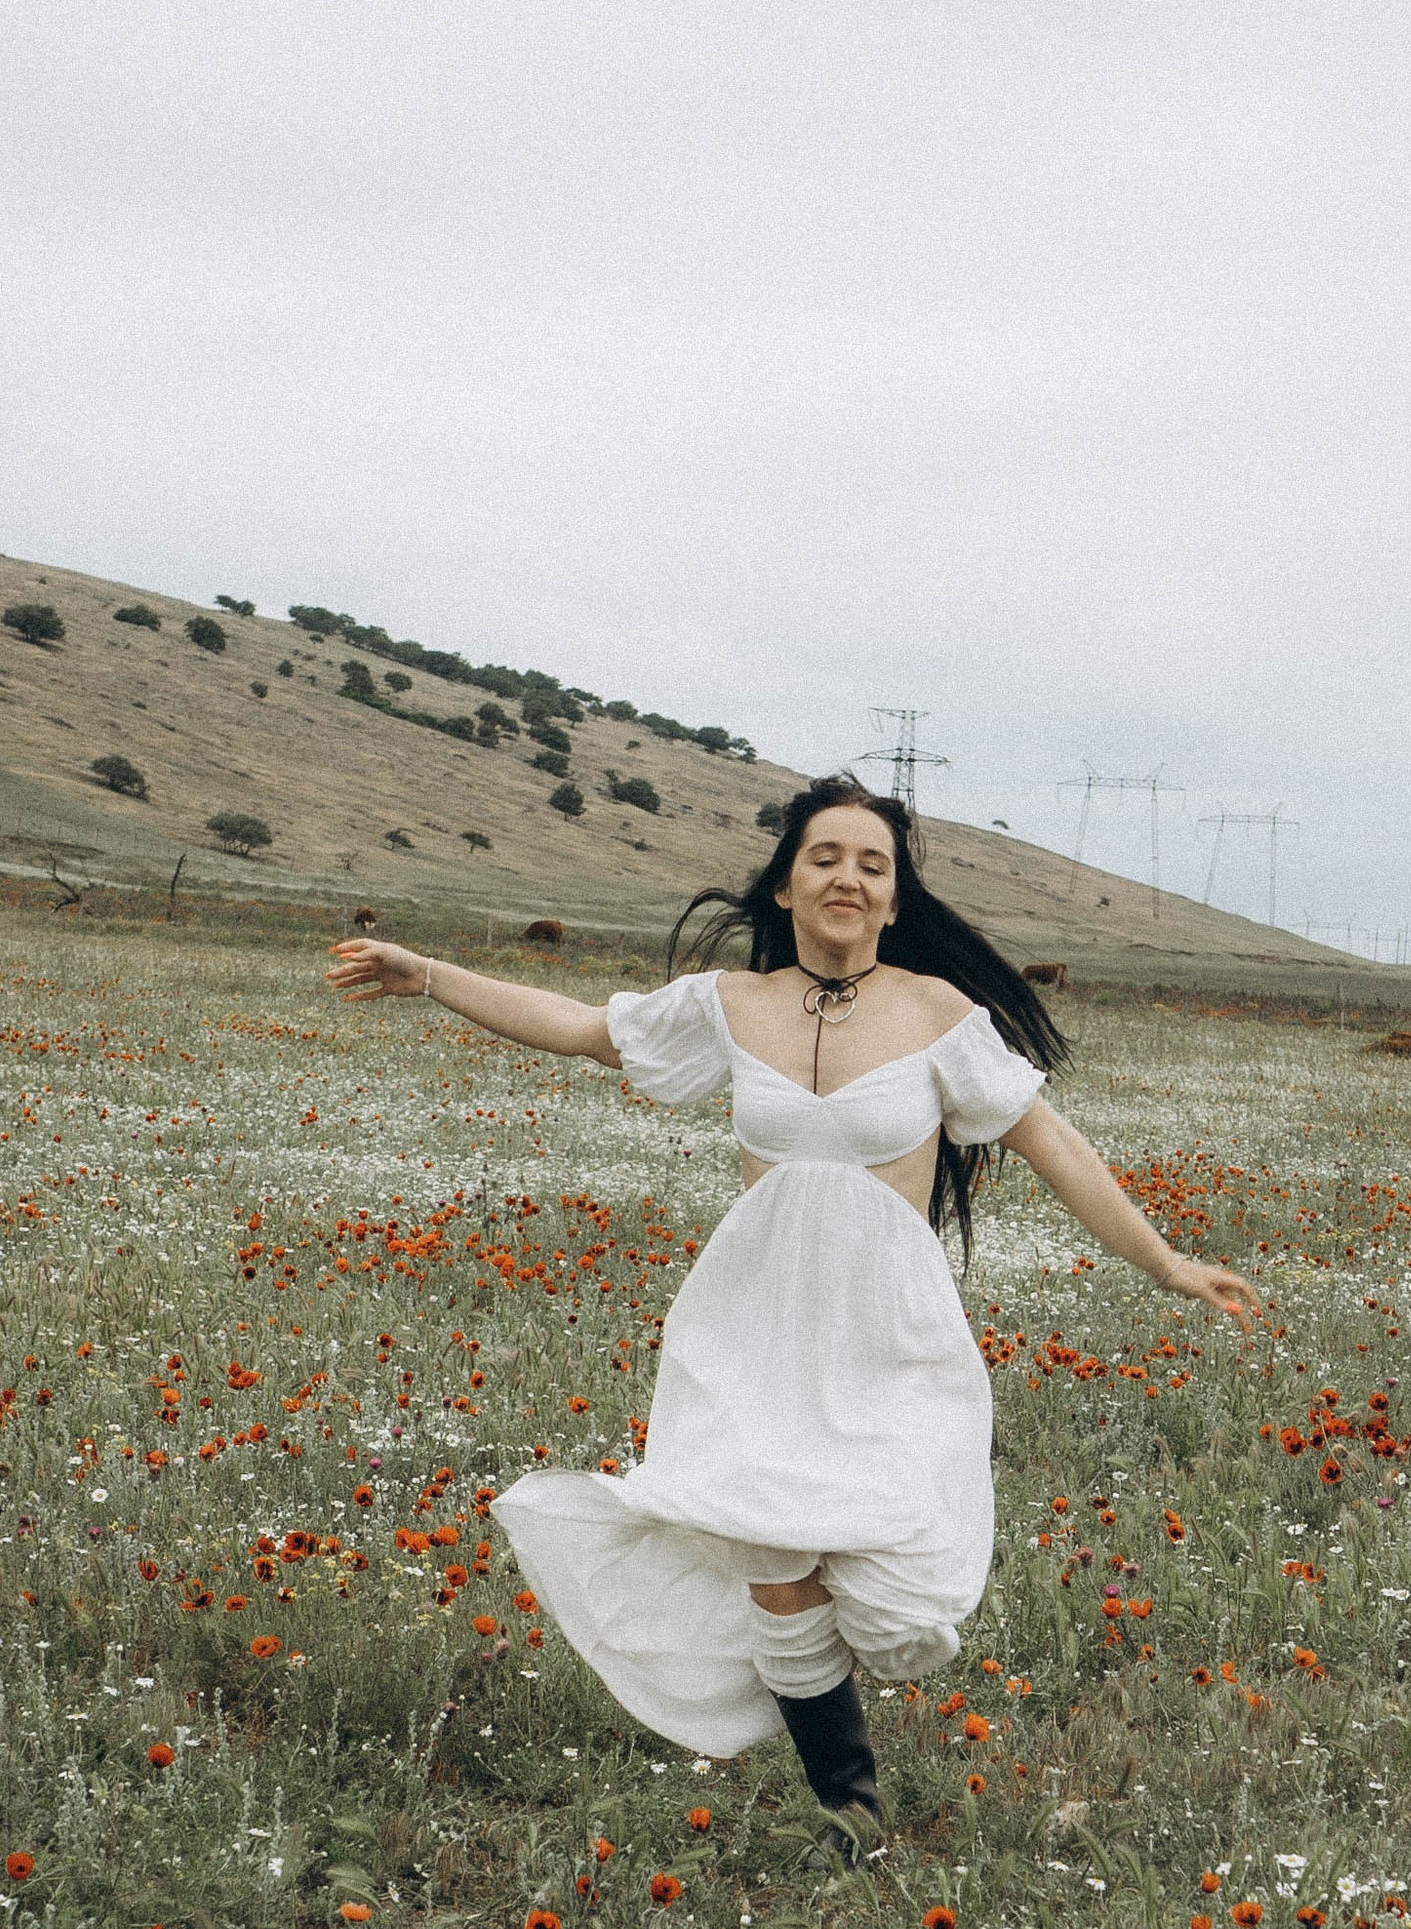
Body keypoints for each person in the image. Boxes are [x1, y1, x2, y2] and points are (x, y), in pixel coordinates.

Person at [325, 776, 1258, 1842]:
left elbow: (1053, 1145)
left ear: (896, 899)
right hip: (751, 1325)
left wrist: (1167, 1262)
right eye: (826, 857)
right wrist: (429, 974)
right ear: (785, 882)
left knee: (901, 1609)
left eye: (872, 864)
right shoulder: (730, 1004)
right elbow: (585, 1029)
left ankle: (842, 1733)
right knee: (774, 1558)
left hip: (887, 1333)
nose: (848, 878)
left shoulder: (939, 1015)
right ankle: (848, 1804)